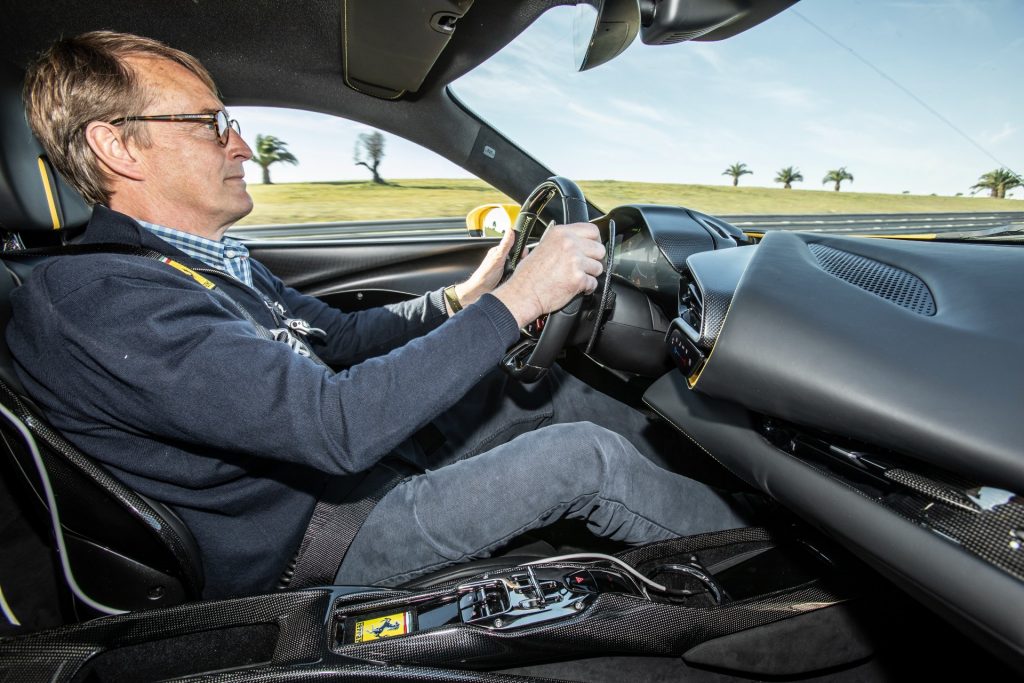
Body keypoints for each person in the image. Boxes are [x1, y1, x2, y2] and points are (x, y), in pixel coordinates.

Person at [8, 31, 753, 599]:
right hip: (314, 539)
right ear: (115, 146)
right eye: (210, 123)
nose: (240, 143)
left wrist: (470, 295)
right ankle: (772, 573)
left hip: (352, 475)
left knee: (556, 391)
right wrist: (521, 299)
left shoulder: (198, 260)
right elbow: (334, 428)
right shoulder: (99, 299)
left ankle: (750, 505)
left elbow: (344, 337)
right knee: (580, 458)